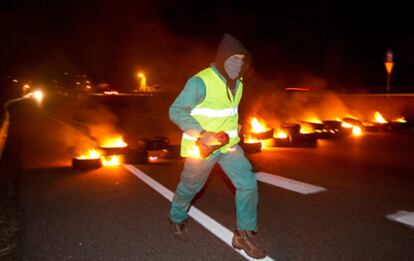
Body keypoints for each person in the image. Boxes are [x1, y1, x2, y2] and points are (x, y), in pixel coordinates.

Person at [168, 33, 266, 259]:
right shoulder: (199, 81)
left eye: (242, 61)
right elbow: (176, 111)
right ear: (222, 59)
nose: (238, 65)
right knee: (190, 188)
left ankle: (242, 235)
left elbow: (228, 111)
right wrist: (202, 134)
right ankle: (177, 217)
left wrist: (237, 124)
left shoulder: (238, 84)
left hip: (228, 146)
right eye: (233, 59)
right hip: (202, 148)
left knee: (248, 183)